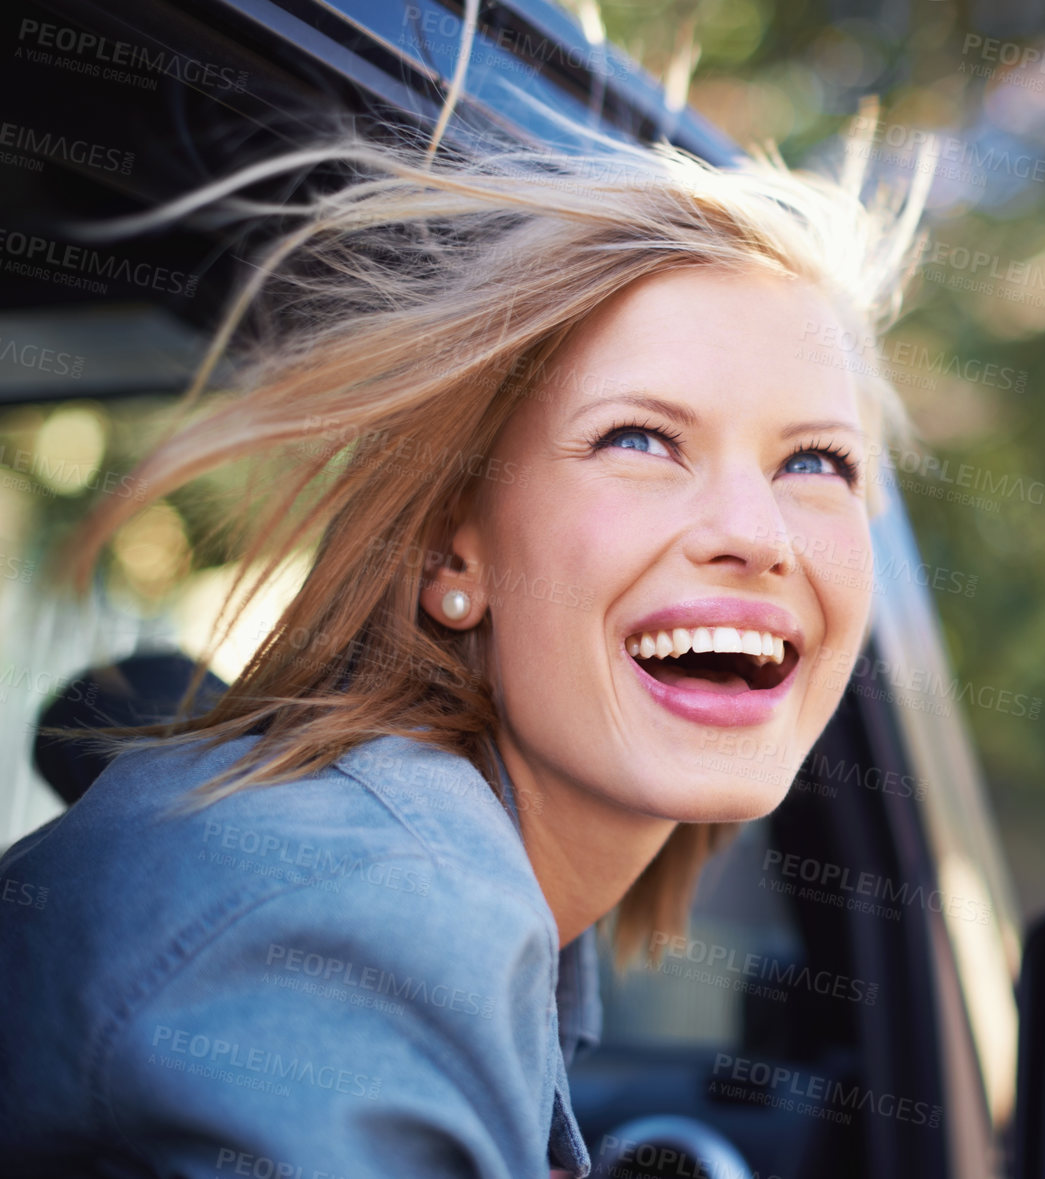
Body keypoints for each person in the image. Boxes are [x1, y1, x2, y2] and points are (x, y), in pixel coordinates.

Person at [0, 91, 930, 1177]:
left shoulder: (428, 889)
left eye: (816, 462)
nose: (754, 534)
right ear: (454, 558)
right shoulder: (374, 911)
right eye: (639, 438)